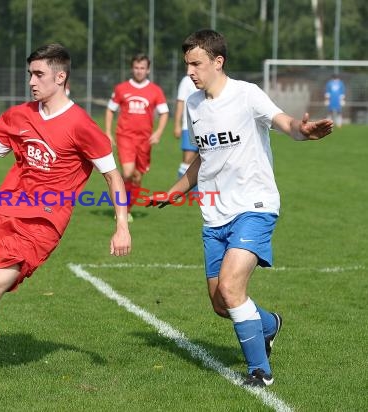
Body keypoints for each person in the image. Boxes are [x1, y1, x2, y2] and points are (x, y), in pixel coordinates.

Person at [0, 43, 131, 384]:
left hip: (40, 225)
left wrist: (121, 225)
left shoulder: (82, 125)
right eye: (30, 74)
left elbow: (113, 175)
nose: (32, 81)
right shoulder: (19, 115)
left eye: (39, 74)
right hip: (2, 209)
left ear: (60, 77)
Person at [148, 29, 333, 387]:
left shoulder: (246, 95)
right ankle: (270, 324)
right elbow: (203, 160)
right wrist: (172, 192)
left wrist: (303, 130)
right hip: (213, 213)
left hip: (254, 206)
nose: (190, 72)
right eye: (187, 64)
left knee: (232, 289)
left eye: (196, 64)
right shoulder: (197, 107)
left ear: (218, 62)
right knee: (222, 304)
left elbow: (285, 123)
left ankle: (259, 372)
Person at [105, 53, 169, 222]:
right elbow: (110, 110)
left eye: (142, 68)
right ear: (132, 68)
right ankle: (122, 210)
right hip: (125, 136)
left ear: (148, 70)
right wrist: (108, 132)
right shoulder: (121, 88)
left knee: (137, 177)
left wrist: (158, 132)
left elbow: (164, 113)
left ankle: (128, 209)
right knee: (127, 172)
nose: (139, 71)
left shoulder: (155, 90)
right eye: (136, 67)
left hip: (145, 140)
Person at [174, 75, 199, 180]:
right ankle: (179, 194)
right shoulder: (187, 80)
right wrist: (177, 124)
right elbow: (180, 102)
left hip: (206, 127)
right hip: (189, 127)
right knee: (187, 160)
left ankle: (196, 194)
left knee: (200, 161)